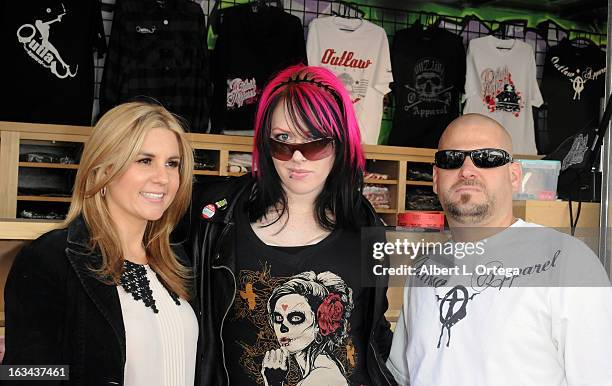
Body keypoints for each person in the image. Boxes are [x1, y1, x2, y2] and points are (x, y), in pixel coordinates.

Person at [184, 64, 396, 386]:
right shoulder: (218, 218)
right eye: (282, 140)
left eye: (314, 142)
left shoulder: (366, 225)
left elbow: (373, 332)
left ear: (341, 143)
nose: (297, 157)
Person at [386, 113, 612, 386]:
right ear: (436, 177)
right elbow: (404, 375)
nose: (467, 170)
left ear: (514, 176)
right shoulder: (423, 270)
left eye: (488, 158)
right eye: (452, 159)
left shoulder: (568, 264)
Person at [4, 102, 198, 386]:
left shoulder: (180, 260)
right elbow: (24, 374)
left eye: (172, 163)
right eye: (145, 160)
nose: (163, 178)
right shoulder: (49, 259)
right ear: (103, 169)